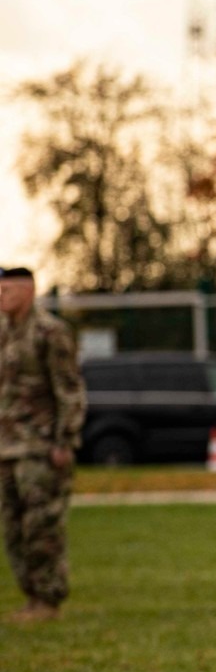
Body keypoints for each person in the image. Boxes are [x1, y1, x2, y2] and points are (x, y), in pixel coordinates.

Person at [0, 267, 84, 623]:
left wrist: (64, 441)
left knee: (42, 527)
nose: (1, 297)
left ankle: (48, 599)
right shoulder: (3, 334)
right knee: (14, 528)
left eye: (6, 290)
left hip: (40, 447)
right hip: (6, 447)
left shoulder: (50, 332)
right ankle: (31, 597)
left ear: (28, 291)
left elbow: (69, 390)